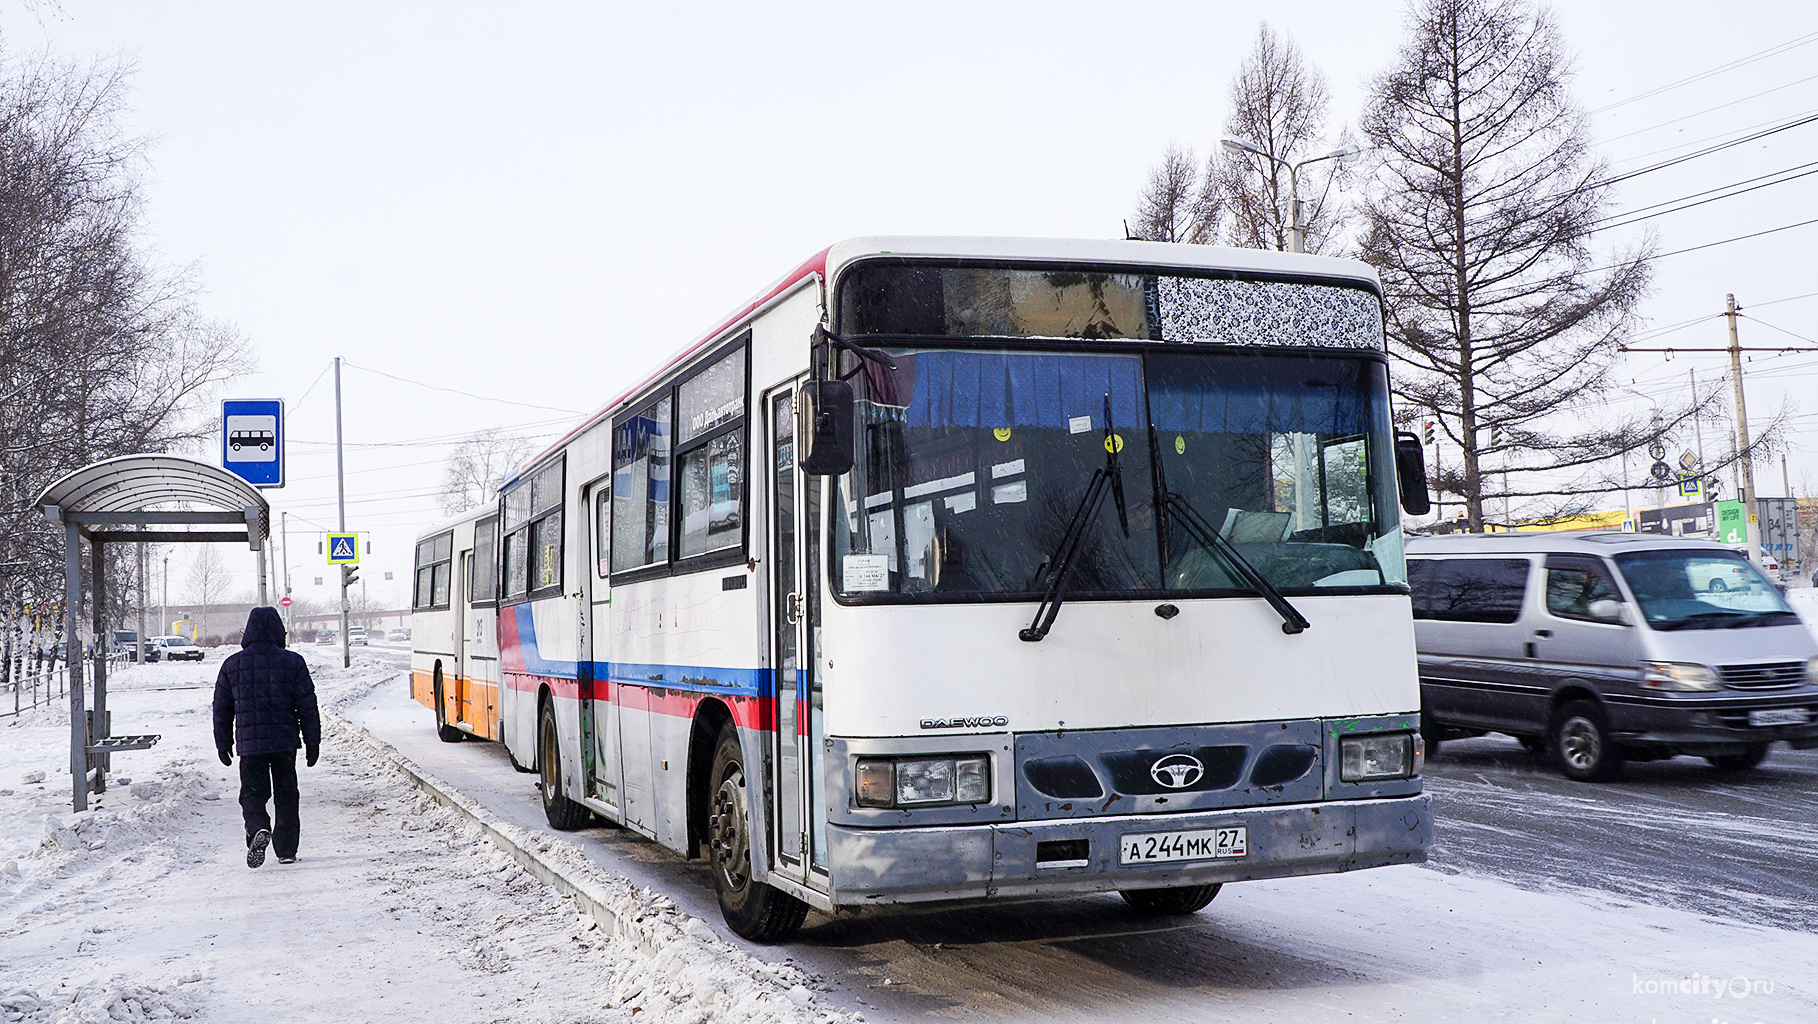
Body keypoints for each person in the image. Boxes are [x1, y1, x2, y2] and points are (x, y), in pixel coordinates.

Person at [211, 606, 320, 868]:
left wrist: (223, 742)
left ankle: (258, 827)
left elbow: (222, 708)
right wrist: (312, 741)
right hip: (284, 742)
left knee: (252, 793)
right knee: (286, 794)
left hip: (250, 745)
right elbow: (307, 705)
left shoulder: (232, 665)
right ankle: (286, 849)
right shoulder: (293, 662)